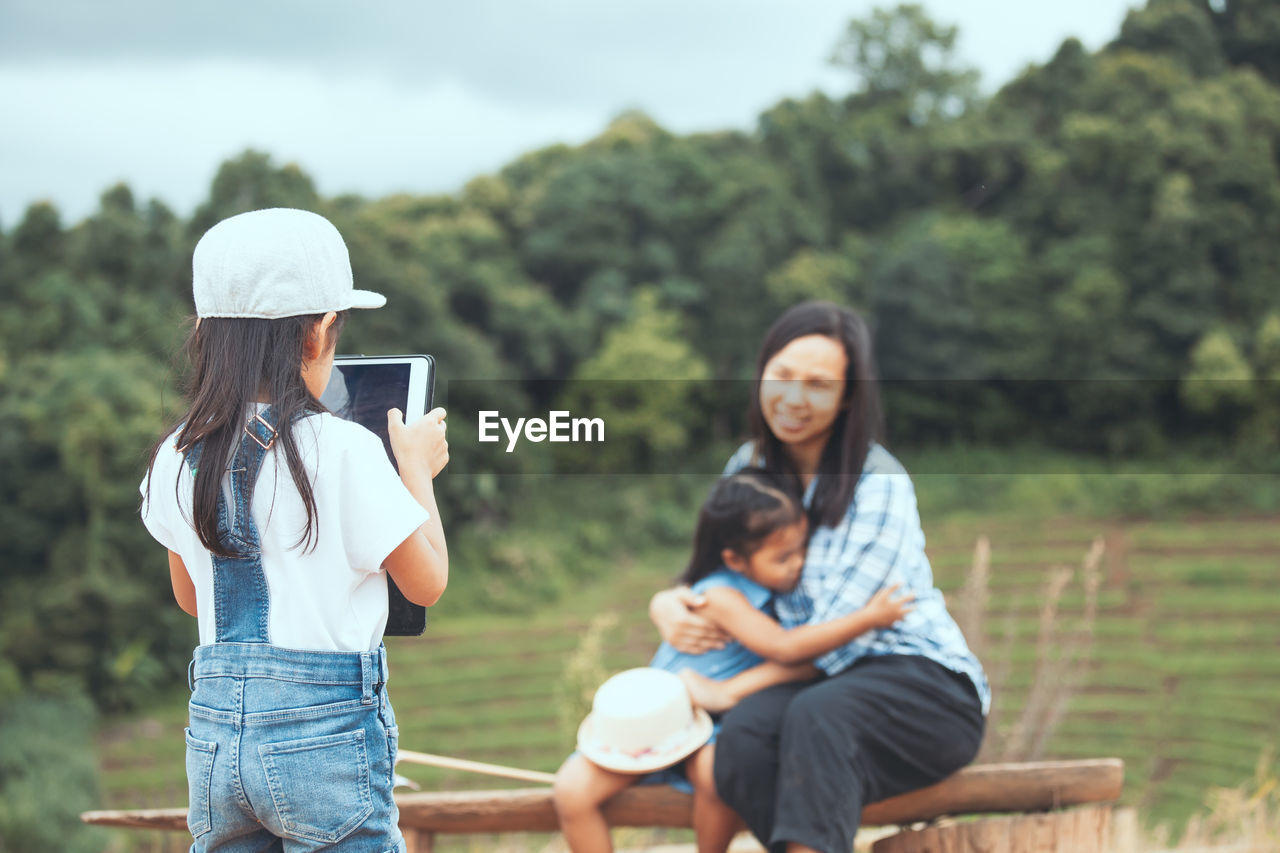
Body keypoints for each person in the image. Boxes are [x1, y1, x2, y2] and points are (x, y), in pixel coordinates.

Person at [139, 208, 449, 852]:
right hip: (326, 736)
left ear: (204, 333)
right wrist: (416, 470)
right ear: (320, 332)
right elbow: (426, 584)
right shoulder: (343, 449)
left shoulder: (176, 455)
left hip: (218, 739)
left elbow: (193, 598)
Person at [649, 301, 990, 853]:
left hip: (923, 688)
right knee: (743, 741)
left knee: (815, 714)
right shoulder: (748, 467)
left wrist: (728, 689)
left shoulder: (878, 485)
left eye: (818, 384)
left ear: (848, 396)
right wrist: (667, 603)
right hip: (814, 689)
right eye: (782, 375)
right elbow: (720, 575)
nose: (793, 398)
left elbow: (829, 643)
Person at [554, 469, 914, 853]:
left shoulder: (790, 604)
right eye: (784, 556)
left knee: (714, 776)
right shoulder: (720, 597)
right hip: (663, 720)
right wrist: (868, 618)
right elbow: (787, 649)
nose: (799, 563)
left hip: (711, 728)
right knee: (571, 791)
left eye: (803, 550)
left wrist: (727, 694)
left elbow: (806, 663)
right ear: (735, 559)